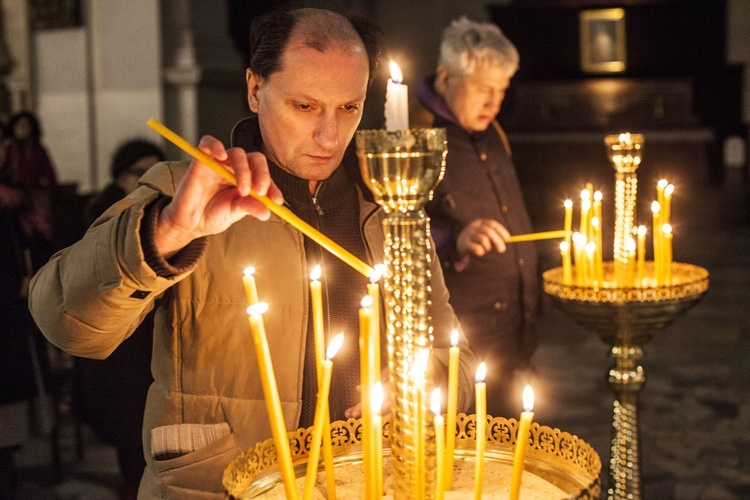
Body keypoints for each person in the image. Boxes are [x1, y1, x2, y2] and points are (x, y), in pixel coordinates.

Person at [29, 8, 476, 498]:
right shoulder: (187, 194)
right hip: (221, 485)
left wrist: (418, 388)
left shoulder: (392, 206)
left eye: (349, 108)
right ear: (254, 88)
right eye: (304, 106)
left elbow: (450, 354)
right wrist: (168, 234)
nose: (330, 136)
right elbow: (64, 322)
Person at [419, 17, 539, 418]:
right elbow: (391, 229)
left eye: (501, 91)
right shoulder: (415, 135)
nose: (495, 103)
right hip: (466, 343)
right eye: (484, 90)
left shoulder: (492, 131)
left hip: (514, 338)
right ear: (446, 76)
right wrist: (455, 240)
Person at [77, 139, 165, 500]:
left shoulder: (167, 212)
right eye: (137, 171)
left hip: (153, 336)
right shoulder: (105, 211)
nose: (147, 178)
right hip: (120, 339)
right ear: (120, 176)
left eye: (155, 170)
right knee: (128, 415)